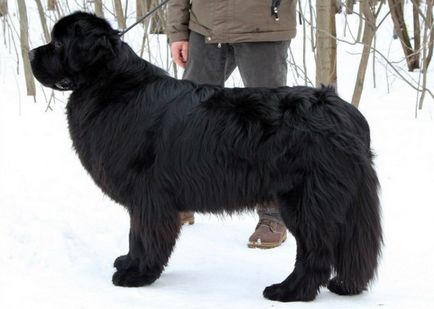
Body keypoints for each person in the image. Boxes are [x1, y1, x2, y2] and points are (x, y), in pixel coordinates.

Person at [167, 0, 297, 249]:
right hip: (206, 27)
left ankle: (274, 214)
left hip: (263, 27)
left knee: (269, 126)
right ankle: (181, 199)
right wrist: (178, 31)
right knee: (189, 120)